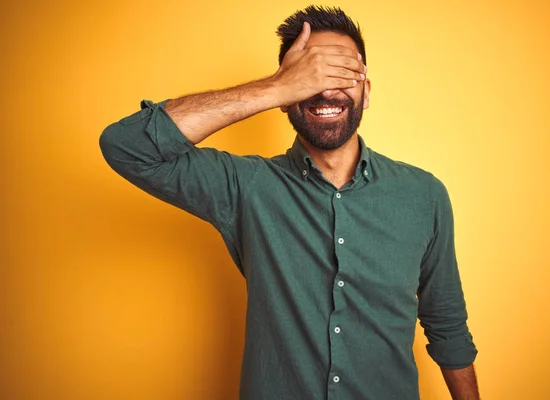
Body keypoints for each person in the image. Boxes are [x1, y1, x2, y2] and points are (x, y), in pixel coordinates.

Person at [99, 5, 479, 400]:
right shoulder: (245, 186)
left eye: (344, 73)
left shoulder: (424, 195)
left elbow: (446, 323)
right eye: (310, 73)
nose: (327, 89)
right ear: (285, 95)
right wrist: (276, 86)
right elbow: (126, 146)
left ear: (365, 93)